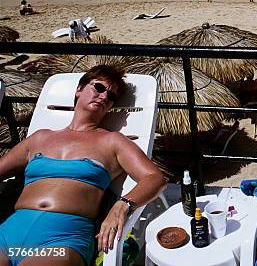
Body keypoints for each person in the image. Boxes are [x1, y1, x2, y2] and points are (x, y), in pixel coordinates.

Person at [0, 65, 166, 265]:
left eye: (111, 96)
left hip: (62, 240)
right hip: (9, 234)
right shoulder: (40, 137)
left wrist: (123, 205)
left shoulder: (112, 141)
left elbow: (155, 178)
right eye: (98, 87)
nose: (104, 96)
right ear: (79, 89)